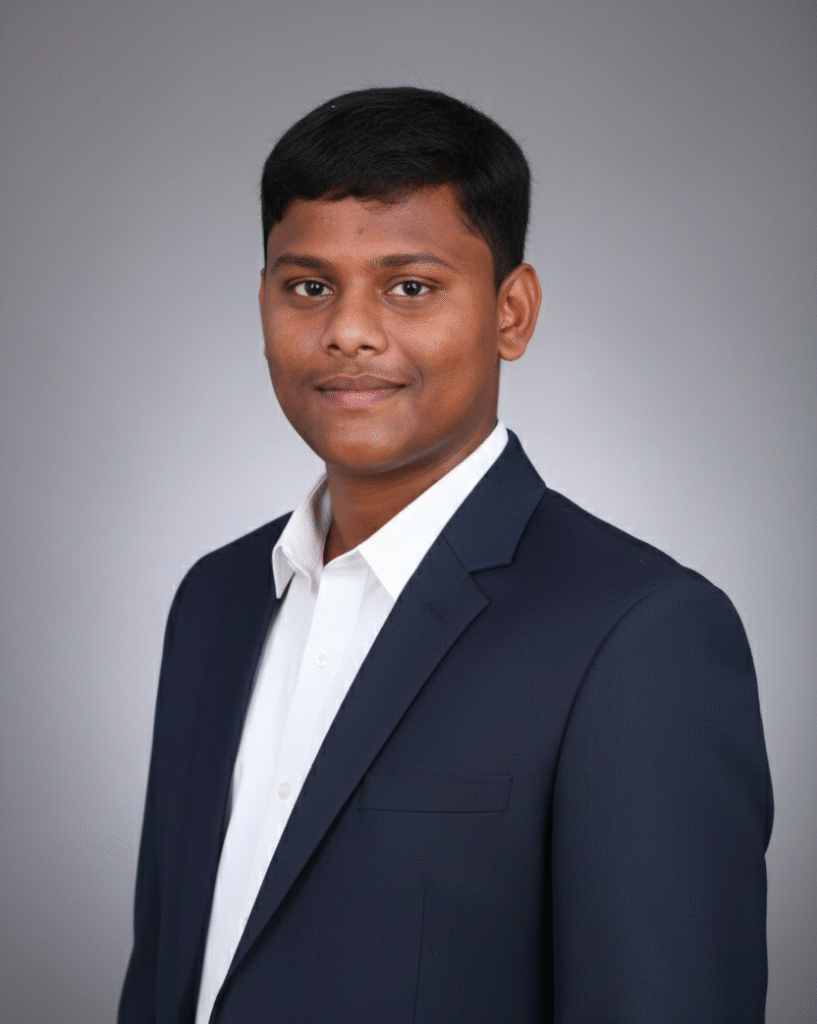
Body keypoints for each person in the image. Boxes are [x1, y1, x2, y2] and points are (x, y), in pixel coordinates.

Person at [118, 87, 773, 1024]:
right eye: (309, 287)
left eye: (410, 287)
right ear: (262, 300)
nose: (348, 330)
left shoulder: (640, 635)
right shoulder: (215, 599)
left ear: (512, 311)